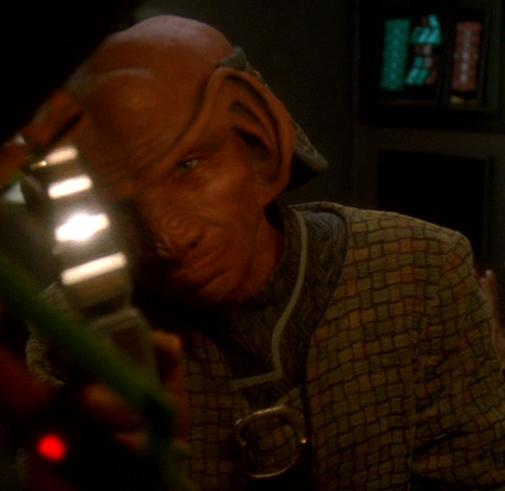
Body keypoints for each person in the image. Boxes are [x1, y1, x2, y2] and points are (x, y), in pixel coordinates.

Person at [20, 15, 505, 490]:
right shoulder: (71, 328)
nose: (167, 239)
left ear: (257, 139)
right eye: (118, 207)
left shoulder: (419, 272)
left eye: (189, 167)